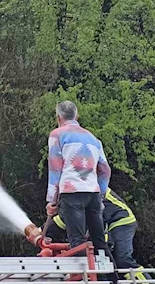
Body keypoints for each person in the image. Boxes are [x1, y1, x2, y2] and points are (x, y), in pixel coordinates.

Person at [45, 100, 111, 255]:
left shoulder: (57, 135)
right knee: (99, 241)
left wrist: (51, 201)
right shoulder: (93, 138)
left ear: (58, 118)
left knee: (77, 241)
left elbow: (55, 169)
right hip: (93, 194)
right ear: (77, 115)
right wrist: (100, 194)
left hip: (72, 193)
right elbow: (105, 170)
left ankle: (83, 278)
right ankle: (110, 277)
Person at [46, 188, 150, 282]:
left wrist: (41, 232)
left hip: (121, 220)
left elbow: (66, 219)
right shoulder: (78, 188)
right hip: (108, 222)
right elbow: (68, 219)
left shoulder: (84, 189)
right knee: (102, 258)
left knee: (122, 259)